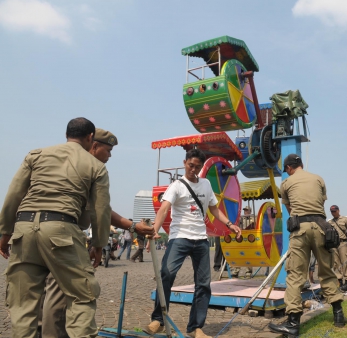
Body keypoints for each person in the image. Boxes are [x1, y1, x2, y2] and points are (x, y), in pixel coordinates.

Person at [0, 118, 111, 337]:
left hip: (24, 230)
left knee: (22, 304)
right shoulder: (96, 167)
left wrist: (5, 231)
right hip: (61, 231)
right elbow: (100, 211)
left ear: (66, 134)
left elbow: (14, 195)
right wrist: (98, 245)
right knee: (82, 297)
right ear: (90, 138)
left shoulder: (36, 155)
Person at [40, 128, 156, 338]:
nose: (110, 156)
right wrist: (103, 242)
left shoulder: (55, 159)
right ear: (93, 145)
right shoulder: (91, 167)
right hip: (64, 234)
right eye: (108, 150)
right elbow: (102, 210)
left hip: (33, 231)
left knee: (41, 294)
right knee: (72, 292)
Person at [147, 149, 241, 338]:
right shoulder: (176, 186)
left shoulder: (206, 184)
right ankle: (158, 319)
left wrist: (230, 224)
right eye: (191, 166)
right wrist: (154, 230)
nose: (193, 170)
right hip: (179, 238)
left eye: (197, 167)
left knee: (204, 284)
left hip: (201, 240)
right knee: (166, 273)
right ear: (185, 163)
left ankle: (195, 328)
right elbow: (164, 209)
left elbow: (214, 209)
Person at [269, 154, 345, 337]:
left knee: (295, 275)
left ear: (288, 168)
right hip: (321, 227)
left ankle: (293, 323)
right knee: (326, 271)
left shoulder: (286, 183)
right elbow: (321, 203)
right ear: (301, 164)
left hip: (300, 229)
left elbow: (290, 209)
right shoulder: (318, 178)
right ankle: (338, 315)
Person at [329, 205, 347, 291]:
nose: (333, 213)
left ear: (338, 211)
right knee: (336, 263)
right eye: (332, 212)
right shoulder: (330, 222)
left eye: (335, 211)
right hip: (334, 244)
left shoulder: (345, 219)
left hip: (342, 243)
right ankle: (339, 281)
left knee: (345, 261)